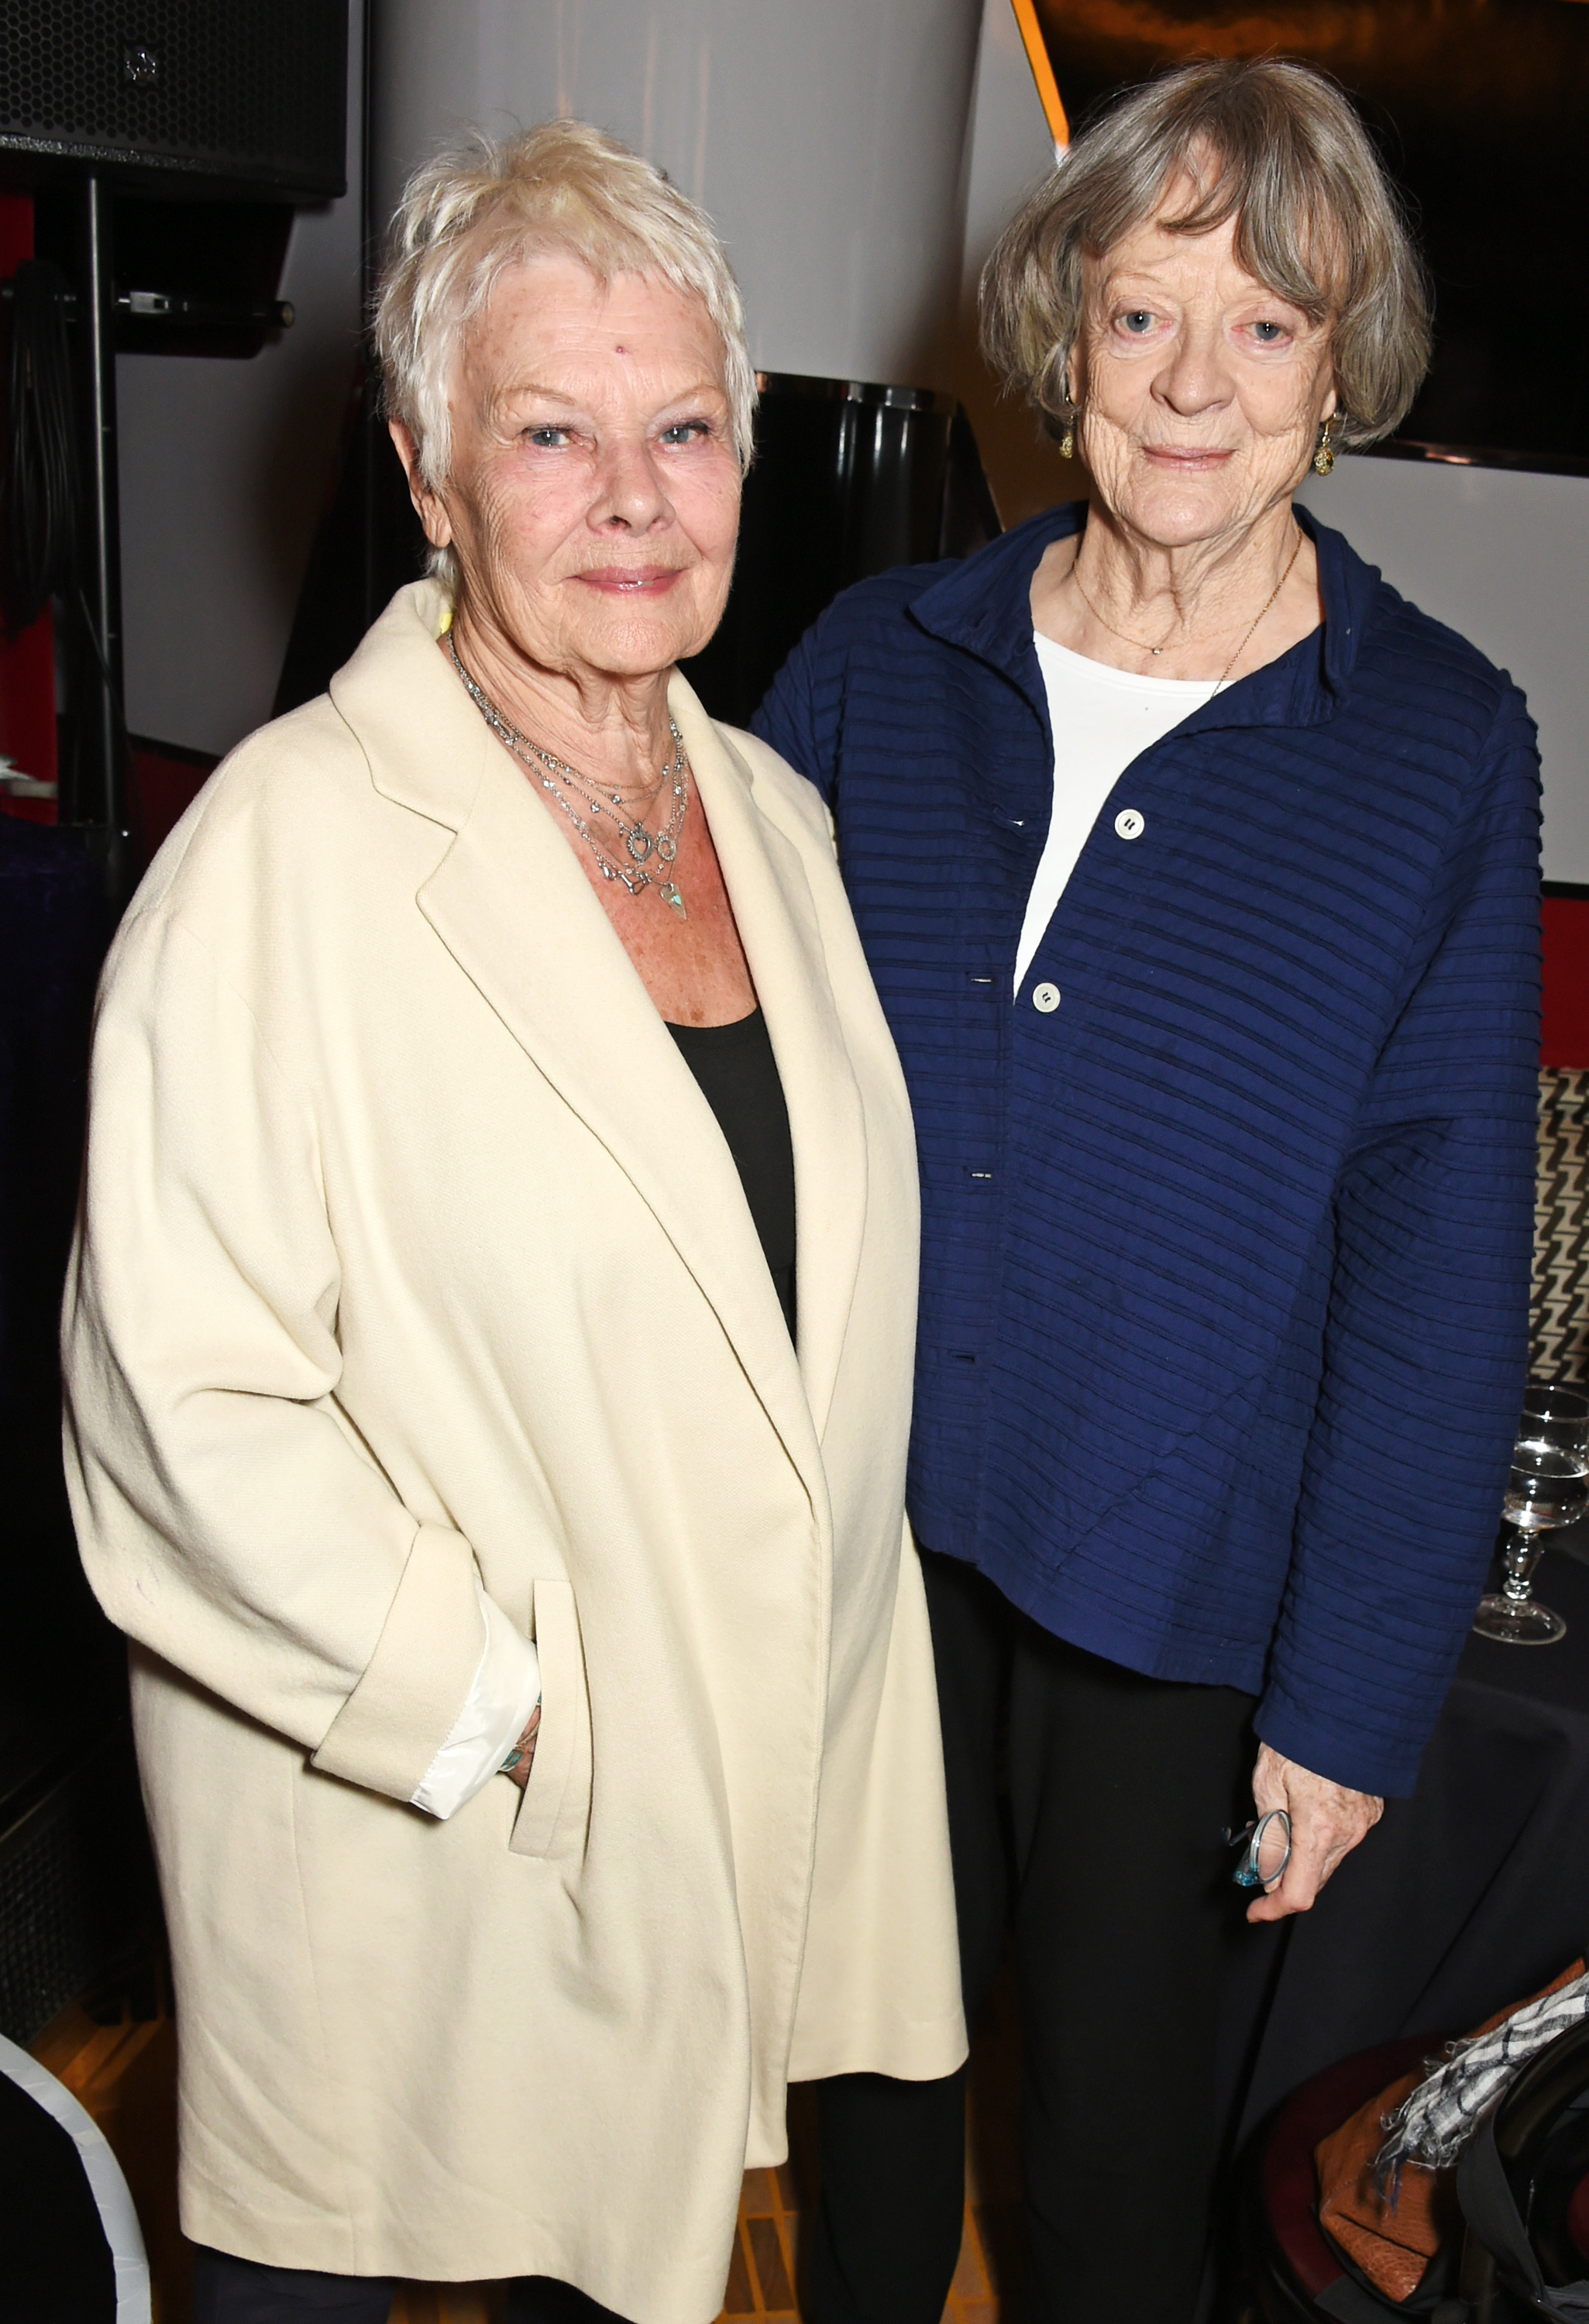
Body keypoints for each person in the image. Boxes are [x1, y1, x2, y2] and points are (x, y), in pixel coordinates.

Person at [61, 122, 967, 2324]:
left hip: (727, 1784)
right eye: (548, 435)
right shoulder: (285, 848)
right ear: (423, 471)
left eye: (680, 427)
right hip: (429, 1812)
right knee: (346, 2250)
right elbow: (173, 1393)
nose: (633, 495)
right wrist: (499, 1705)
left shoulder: (770, 816)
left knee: (620, 2254)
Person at [753, 57, 1539, 2324]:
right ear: (1059, 337)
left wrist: (1352, 1695)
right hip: (851, 1550)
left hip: (1171, 1594)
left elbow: (1431, 1254)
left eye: (1266, 325)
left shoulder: (1434, 748)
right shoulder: (872, 666)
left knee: (1108, 2182)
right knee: (861, 2108)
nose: (1194, 383)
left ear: (1338, 368)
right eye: (1140, 316)